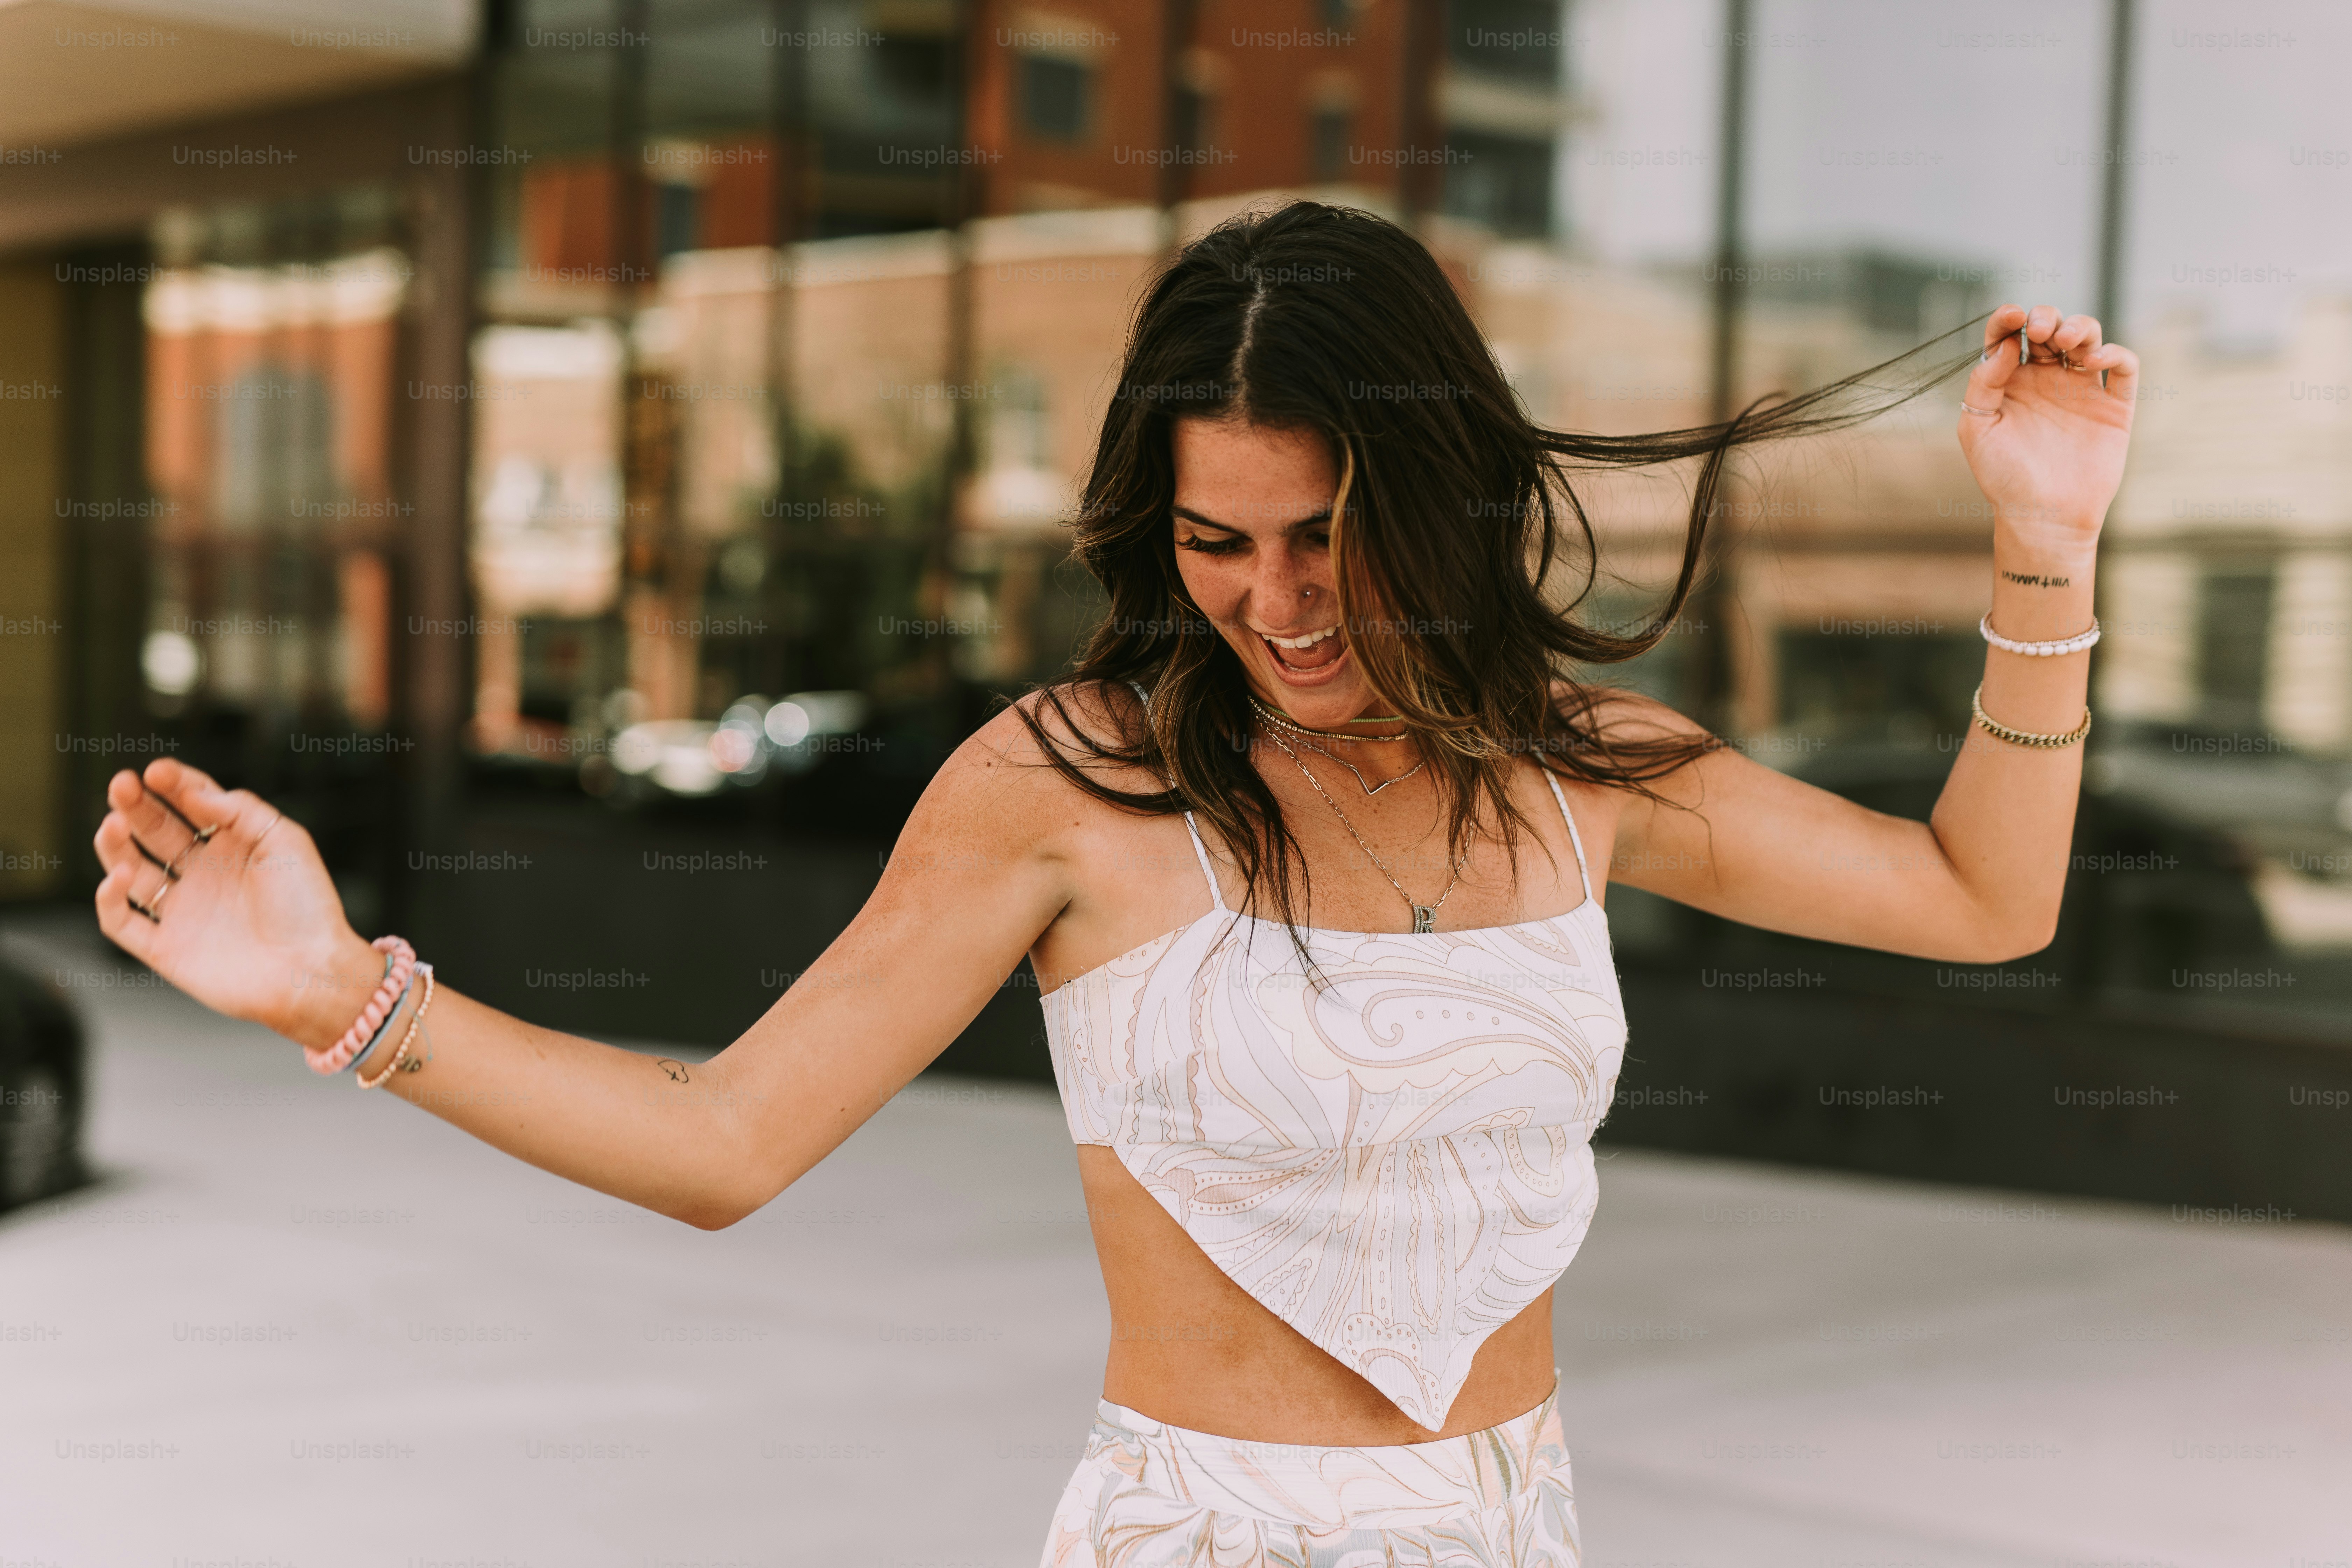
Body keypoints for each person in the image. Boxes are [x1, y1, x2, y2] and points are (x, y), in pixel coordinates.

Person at [91, 201, 2136, 1564]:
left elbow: (1981, 899)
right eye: (1218, 540)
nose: (1278, 600)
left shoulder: (1579, 768)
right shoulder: (1065, 786)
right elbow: (727, 1138)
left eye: (1326, 531)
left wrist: (2044, 546)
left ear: (1435, 493)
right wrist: (343, 996)